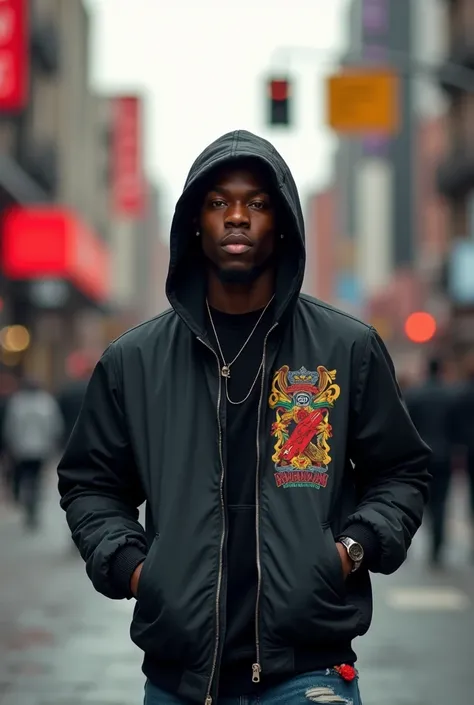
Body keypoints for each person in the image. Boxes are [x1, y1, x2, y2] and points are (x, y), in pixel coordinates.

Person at [58, 130, 431, 705]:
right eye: (218, 203)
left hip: (310, 670)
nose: (236, 217)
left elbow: (401, 471)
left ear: (280, 223)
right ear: (195, 224)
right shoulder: (133, 361)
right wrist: (135, 569)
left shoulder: (345, 348)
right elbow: (90, 485)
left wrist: (348, 551)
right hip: (180, 679)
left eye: (256, 203)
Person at [405, 358, 453, 566]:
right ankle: (437, 549)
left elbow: (407, 427)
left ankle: (405, 544)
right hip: (444, 455)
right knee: (440, 504)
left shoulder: (415, 395)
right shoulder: (450, 396)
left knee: (413, 501)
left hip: (420, 456)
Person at [4, 377, 63, 528]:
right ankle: (33, 504)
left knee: (26, 477)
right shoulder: (46, 402)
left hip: (22, 448)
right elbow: (55, 425)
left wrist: (10, 444)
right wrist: (53, 443)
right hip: (41, 448)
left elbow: (10, 425)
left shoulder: (17, 402)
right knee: (35, 478)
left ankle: (29, 503)